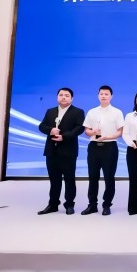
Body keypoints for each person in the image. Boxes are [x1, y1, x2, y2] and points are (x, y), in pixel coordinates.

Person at [37, 87, 85, 215]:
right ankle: (53, 204)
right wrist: (50, 130)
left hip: (68, 151)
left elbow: (79, 128)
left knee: (69, 179)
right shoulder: (50, 111)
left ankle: (69, 204)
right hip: (51, 151)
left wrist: (64, 136)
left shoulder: (78, 112)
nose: (63, 97)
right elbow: (41, 126)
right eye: (61, 95)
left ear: (72, 98)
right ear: (57, 97)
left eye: (67, 95)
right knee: (54, 180)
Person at [81, 85, 124, 216]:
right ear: (98, 95)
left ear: (111, 96)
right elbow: (86, 130)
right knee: (92, 177)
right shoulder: (92, 112)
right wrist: (92, 132)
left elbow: (120, 132)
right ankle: (92, 205)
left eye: (106, 94)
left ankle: (107, 205)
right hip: (94, 147)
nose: (104, 96)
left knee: (109, 177)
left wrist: (107, 137)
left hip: (109, 147)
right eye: (101, 94)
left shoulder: (117, 112)